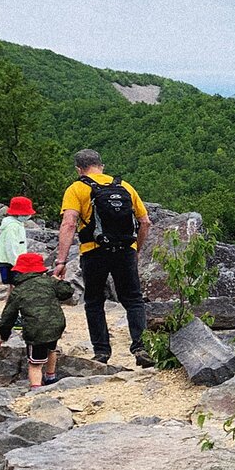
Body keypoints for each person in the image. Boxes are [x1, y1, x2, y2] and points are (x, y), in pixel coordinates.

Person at [53, 149, 155, 367]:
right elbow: (145, 222)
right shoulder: (124, 186)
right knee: (134, 300)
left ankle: (101, 353)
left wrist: (61, 261)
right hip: (125, 250)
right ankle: (141, 347)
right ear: (102, 166)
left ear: (79, 169)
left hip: (94, 251)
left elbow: (69, 223)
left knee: (94, 301)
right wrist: (136, 250)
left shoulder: (77, 188)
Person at [0, 252, 73, 388]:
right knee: (51, 349)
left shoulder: (18, 291)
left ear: (19, 272)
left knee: (35, 364)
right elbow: (67, 292)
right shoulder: (50, 282)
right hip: (56, 326)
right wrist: (59, 280)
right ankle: (50, 377)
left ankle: (36, 388)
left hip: (35, 330)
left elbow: (8, 316)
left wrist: (4, 336)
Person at [0, 196, 35, 297]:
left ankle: (11, 306)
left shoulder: (18, 224)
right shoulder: (12, 227)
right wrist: (17, 264)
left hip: (13, 261)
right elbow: (10, 247)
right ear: (19, 213)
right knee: (16, 285)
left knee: (14, 286)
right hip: (9, 261)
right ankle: (12, 306)